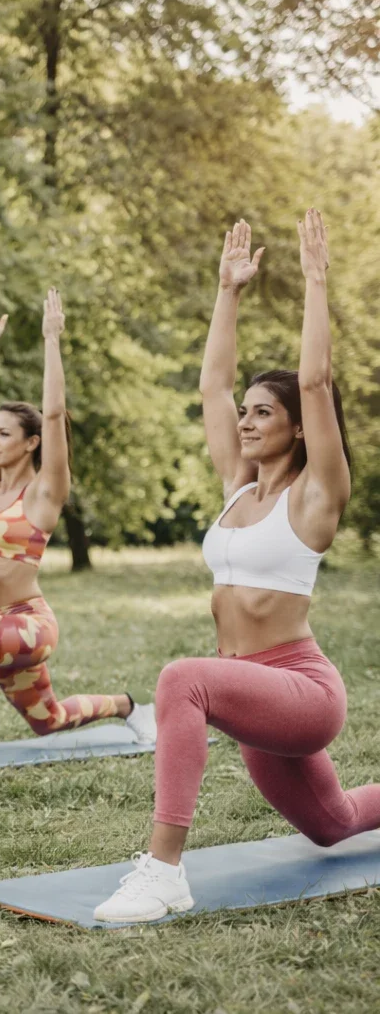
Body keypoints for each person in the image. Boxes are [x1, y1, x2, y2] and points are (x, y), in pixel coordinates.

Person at [94, 211, 378, 923]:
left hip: (301, 688)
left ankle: (163, 871)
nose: (246, 422)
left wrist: (316, 283)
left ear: (298, 427)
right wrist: (229, 291)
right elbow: (212, 385)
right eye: (245, 413)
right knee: (333, 824)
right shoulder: (237, 487)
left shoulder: (317, 496)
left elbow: (316, 381)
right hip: (254, 699)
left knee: (180, 678)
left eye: (263, 413)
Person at [0, 289, 155, 786]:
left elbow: (56, 412)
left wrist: (51, 340)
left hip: (28, 624)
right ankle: (131, 706)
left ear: (32, 442)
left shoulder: (45, 492)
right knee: (49, 721)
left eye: (4, 434)